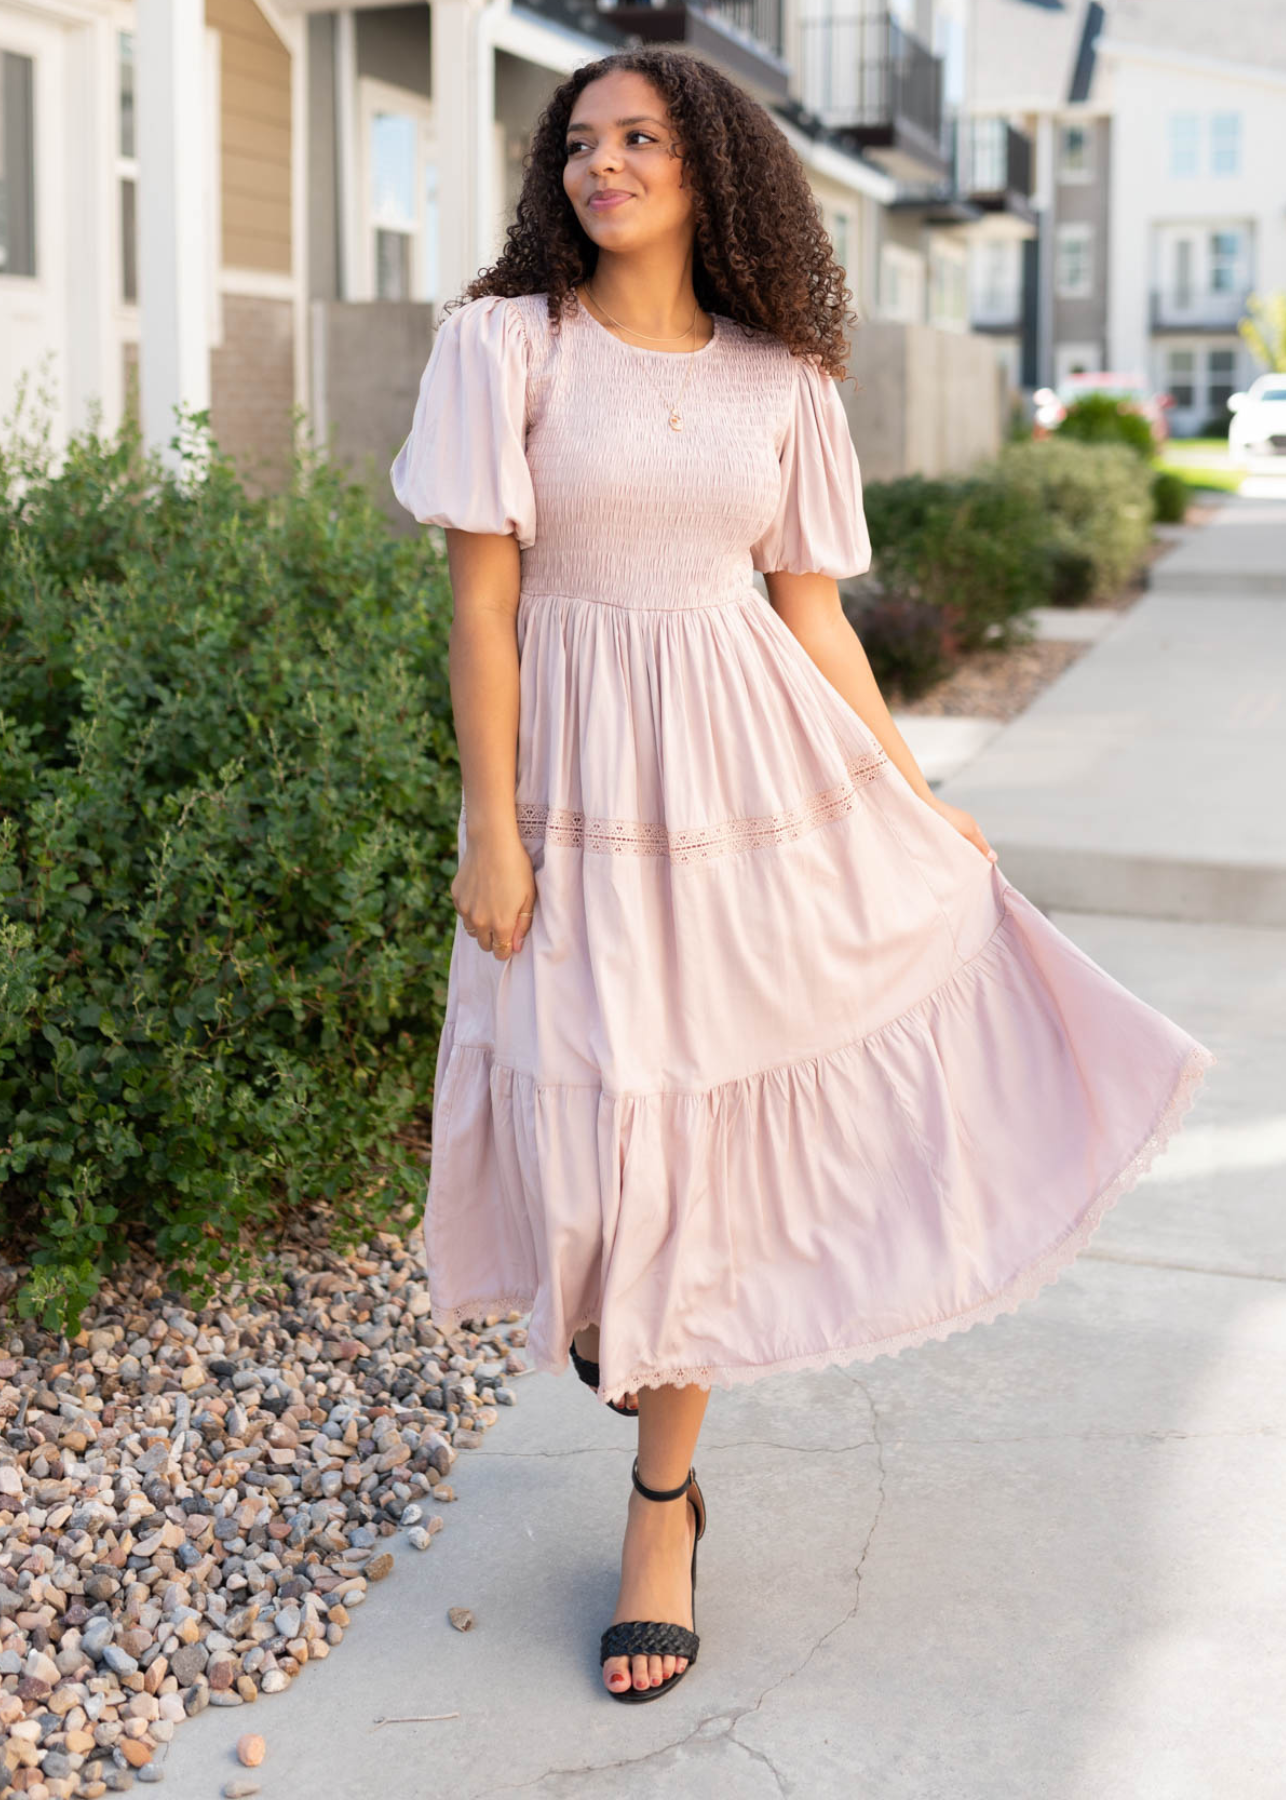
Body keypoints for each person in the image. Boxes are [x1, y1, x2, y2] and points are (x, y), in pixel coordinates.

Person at [390, 48, 1216, 1705]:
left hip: (750, 782)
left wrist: (916, 800)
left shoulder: (787, 380)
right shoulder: (506, 345)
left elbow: (809, 614)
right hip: (575, 790)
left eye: (636, 139)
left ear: (715, 168)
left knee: (699, 1134)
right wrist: (490, 826)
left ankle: (661, 1508)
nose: (599, 165)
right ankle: (619, 1321)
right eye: (578, 144)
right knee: (597, 1125)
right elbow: (485, 604)